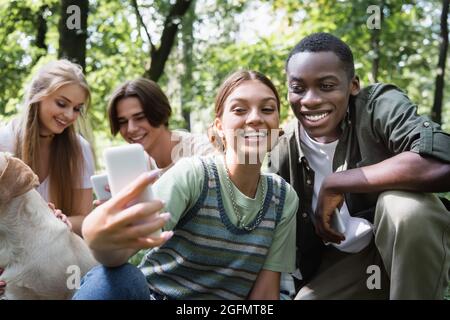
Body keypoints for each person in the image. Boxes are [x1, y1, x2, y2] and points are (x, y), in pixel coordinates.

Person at [74, 70, 299, 300]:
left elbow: (265, 296)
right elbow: (121, 249)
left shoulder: (283, 198)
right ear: (219, 126)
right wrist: (97, 233)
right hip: (156, 294)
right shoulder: (192, 174)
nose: (255, 118)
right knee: (118, 277)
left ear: (277, 125)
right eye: (239, 109)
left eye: (268, 109)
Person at [269, 32, 450, 299]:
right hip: (347, 261)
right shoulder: (283, 150)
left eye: (327, 86)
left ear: (353, 85)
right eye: (298, 88)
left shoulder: (377, 106)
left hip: (411, 248)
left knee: (404, 207)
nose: (310, 100)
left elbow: (440, 161)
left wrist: (336, 183)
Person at [0, 59, 95, 236]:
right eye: (61, 103)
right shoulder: (4, 141)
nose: (69, 115)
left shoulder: (79, 149)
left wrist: (59, 221)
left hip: (56, 254)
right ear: (38, 95)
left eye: (76, 109)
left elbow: (84, 219)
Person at [107, 78, 214, 175]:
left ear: (159, 111)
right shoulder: (135, 166)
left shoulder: (203, 153)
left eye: (139, 117)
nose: (131, 129)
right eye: (122, 122)